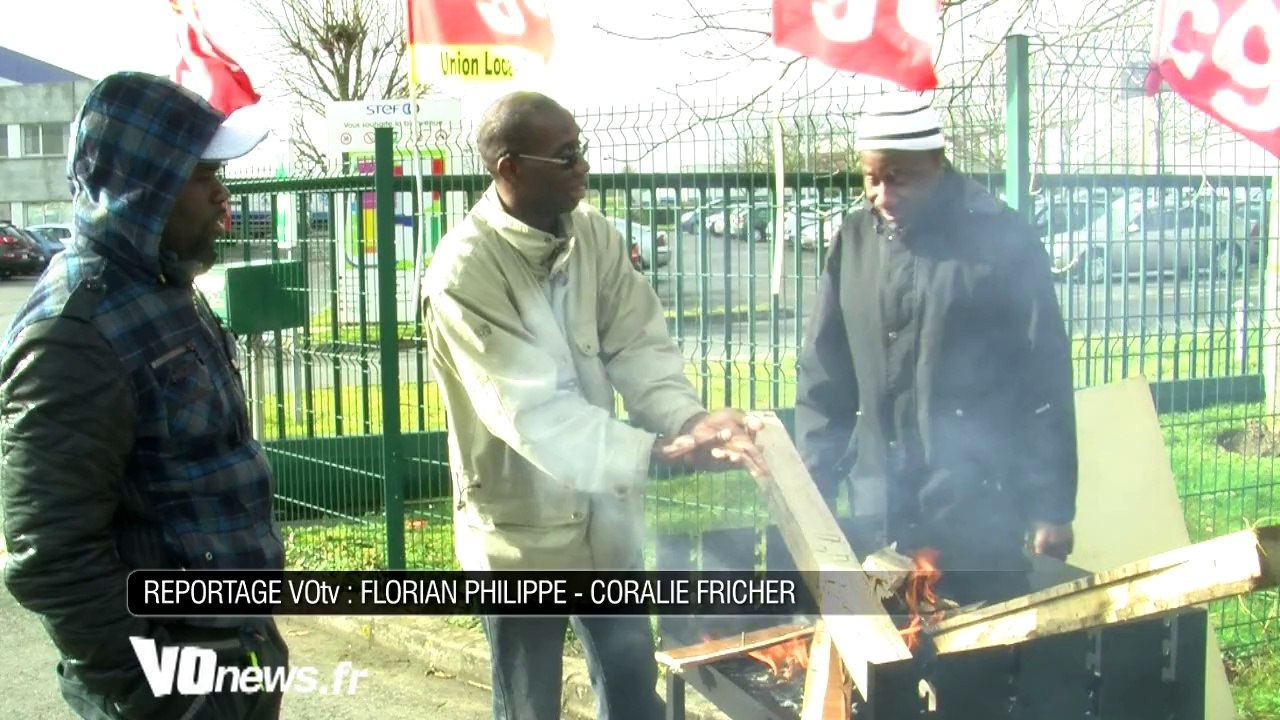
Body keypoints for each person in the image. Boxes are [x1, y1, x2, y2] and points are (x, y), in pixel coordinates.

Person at [421, 90, 768, 720]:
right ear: (511, 169)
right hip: (521, 539)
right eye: (567, 154)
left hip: (606, 526)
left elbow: (638, 343)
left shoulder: (593, 237)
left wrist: (688, 421)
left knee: (634, 692)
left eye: (583, 148)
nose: (584, 165)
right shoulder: (463, 271)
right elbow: (529, 412)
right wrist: (656, 455)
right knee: (529, 706)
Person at [0, 72, 287, 719]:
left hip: (231, 653)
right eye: (200, 174)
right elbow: (51, 556)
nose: (221, 193)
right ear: (143, 186)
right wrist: (158, 692)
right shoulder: (73, 335)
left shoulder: (166, 290)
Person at [794, 93, 1079, 607]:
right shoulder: (854, 241)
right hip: (877, 509)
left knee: (976, 672)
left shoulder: (1000, 238)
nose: (882, 193)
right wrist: (815, 489)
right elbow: (824, 374)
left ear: (938, 164)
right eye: (871, 177)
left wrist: (1051, 505)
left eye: (899, 177)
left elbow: (1045, 380)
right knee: (882, 669)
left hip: (977, 516)